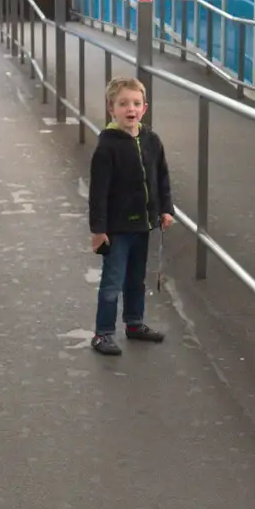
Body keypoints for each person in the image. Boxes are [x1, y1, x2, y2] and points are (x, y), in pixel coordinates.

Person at [87, 76, 174, 356]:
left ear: (144, 108)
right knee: (112, 280)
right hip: (116, 228)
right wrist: (98, 229)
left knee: (136, 278)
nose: (130, 109)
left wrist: (165, 209)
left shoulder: (151, 140)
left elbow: (161, 177)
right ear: (111, 108)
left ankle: (134, 323)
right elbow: (98, 193)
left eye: (136, 103)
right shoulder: (107, 147)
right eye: (123, 104)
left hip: (143, 225)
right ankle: (103, 333)